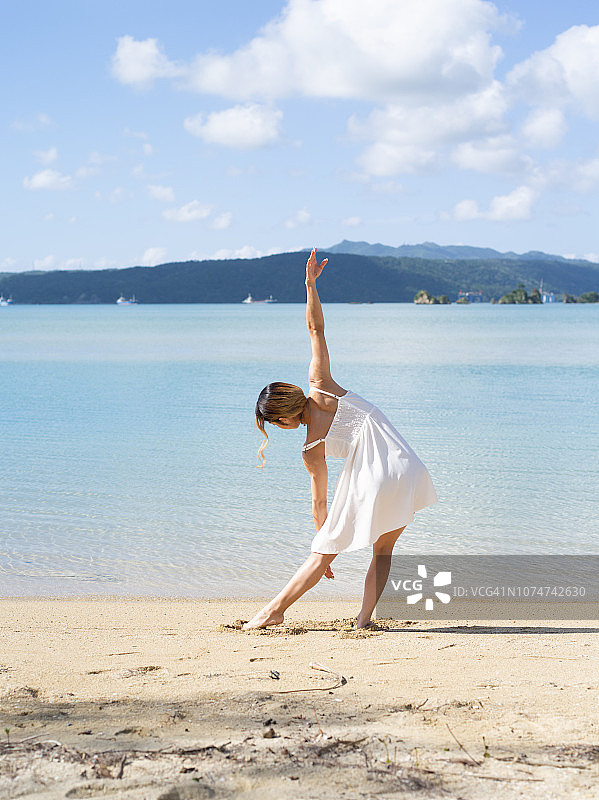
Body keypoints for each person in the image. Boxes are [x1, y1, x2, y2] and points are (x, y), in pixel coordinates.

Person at [244, 247, 438, 630]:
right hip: (406, 466)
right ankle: (364, 620)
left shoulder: (310, 450)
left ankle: (273, 611)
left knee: (324, 549)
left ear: (282, 419)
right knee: (383, 549)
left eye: (276, 423)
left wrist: (325, 545)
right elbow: (316, 329)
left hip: (372, 477)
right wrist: (310, 285)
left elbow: (320, 504)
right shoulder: (322, 386)